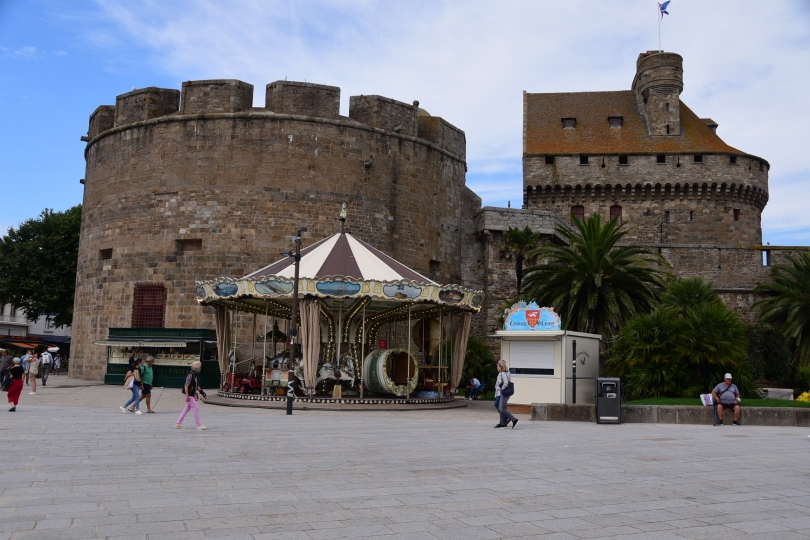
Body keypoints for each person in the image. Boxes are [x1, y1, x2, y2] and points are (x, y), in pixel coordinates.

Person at [176, 361, 207, 430]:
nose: (200, 368)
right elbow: (186, 385)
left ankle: (178, 423)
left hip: (191, 393)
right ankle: (199, 424)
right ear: (195, 367)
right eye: (199, 366)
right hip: (189, 394)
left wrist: (202, 393)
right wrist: (187, 395)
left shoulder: (195, 374)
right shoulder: (190, 374)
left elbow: (196, 385)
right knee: (196, 408)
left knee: (186, 409)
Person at [494, 359, 519, 429]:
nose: (497, 367)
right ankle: (502, 422)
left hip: (503, 393)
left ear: (501, 367)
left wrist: (502, 389)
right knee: (501, 407)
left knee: (501, 408)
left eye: (498, 366)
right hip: (502, 393)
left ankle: (514, 419)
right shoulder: (502, 373)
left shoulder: (503, 373)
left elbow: (506, 382)